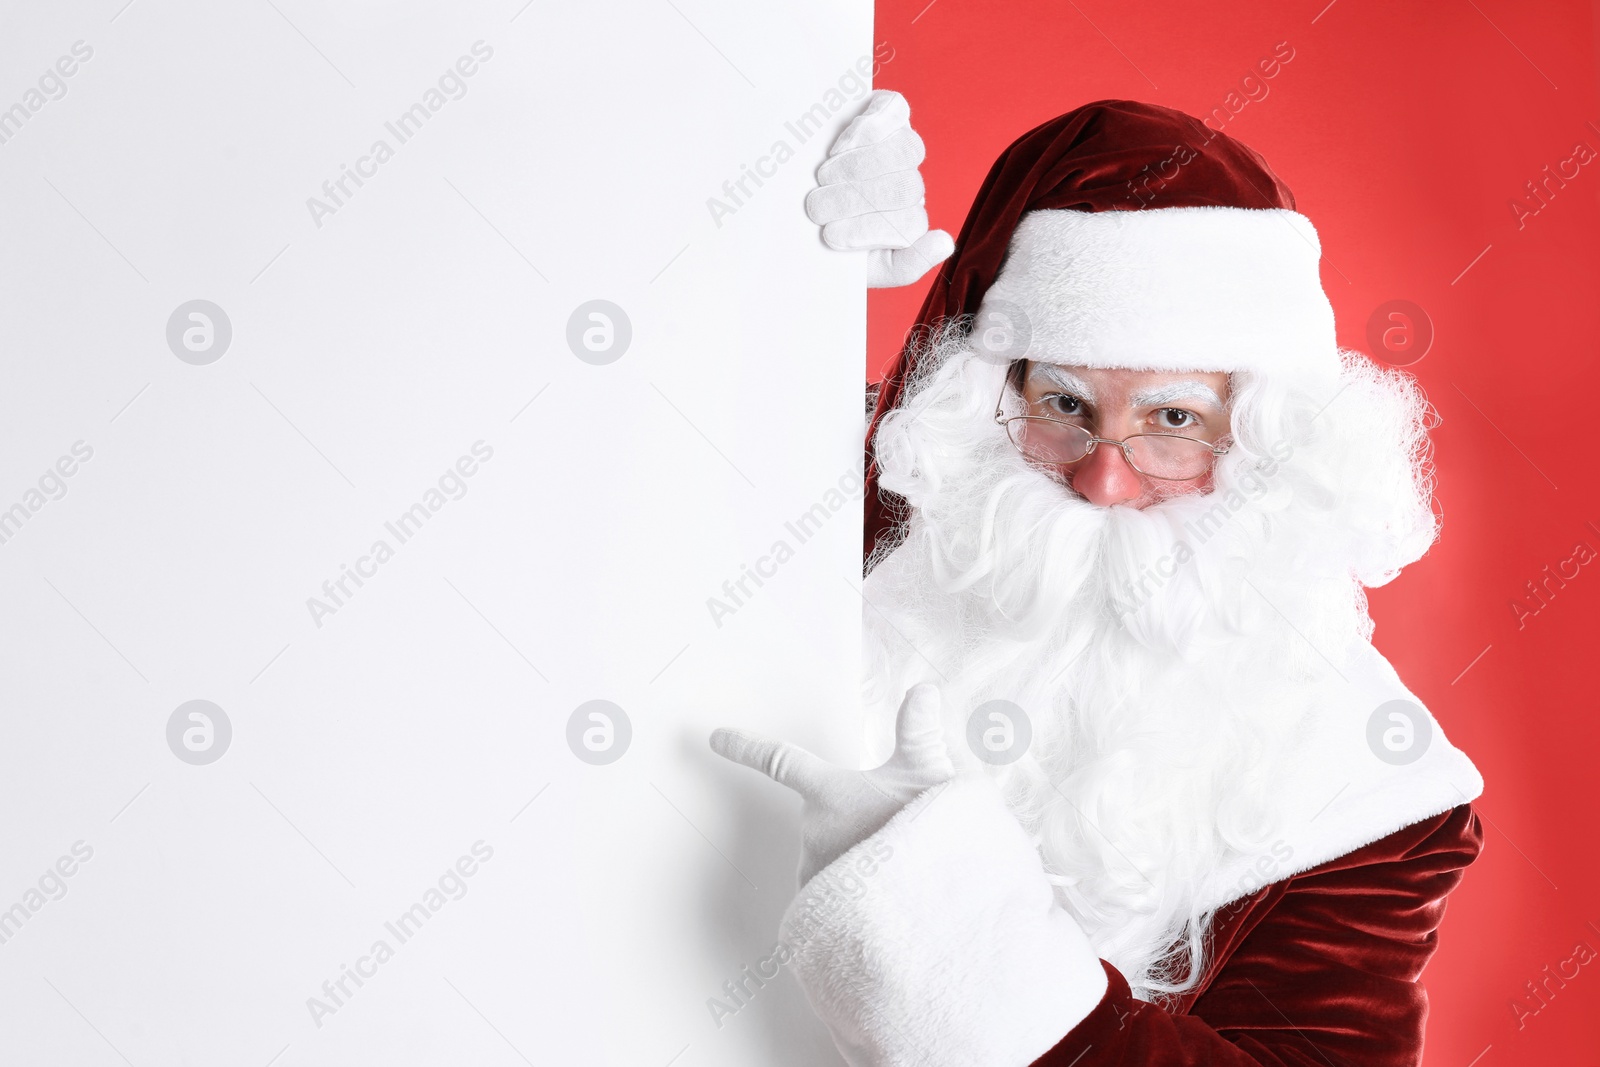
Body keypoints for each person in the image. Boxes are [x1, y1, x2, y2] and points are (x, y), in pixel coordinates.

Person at [710, 93, 1484, 1067]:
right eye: (1064, 403)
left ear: (1264, 444)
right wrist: (777, 268)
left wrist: (941, 920)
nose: (1100, 479)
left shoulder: (1367, 794)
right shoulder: (838, 535)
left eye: (1171, 420)